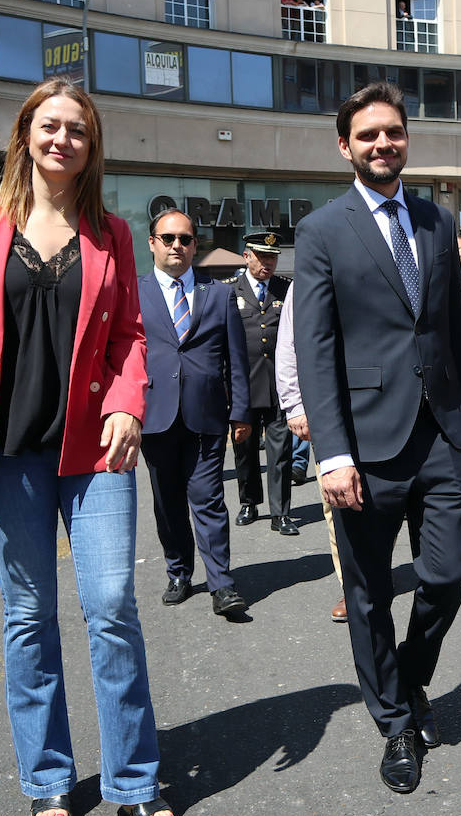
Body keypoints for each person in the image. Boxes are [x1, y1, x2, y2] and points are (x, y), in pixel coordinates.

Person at [0, 78, 172, 816]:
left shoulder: (112, 232)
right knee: (28, 616)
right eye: (51, 125)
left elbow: (130, 333)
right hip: (4, 452)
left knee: (112, 606)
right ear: (26, 134)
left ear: (91, 146)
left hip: (93, 448)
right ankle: (47, 777)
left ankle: (134, 779)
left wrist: (128, 401)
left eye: (78, 129)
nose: (63, 138)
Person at [294, 81, 461, 794]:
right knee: (370, 592)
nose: (383, 144)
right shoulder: (322, 231)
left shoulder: (437, 220)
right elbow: (316, 349)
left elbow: (453, 328)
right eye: (368, 135)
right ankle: (396, 723)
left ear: (407, 139)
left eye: (393, 132)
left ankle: (408, 674)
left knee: (447, 574)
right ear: (345, 147)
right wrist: (332, 454)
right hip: (364, 446)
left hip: (441, 433)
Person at [138, 207, 252, 615]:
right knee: (167, 503)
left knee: (208, 499)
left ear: (194, 246)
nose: (177, 246)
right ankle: (179, 572)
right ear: (152, 243)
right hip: (155, 416)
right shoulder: (134, 292)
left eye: (185, 239)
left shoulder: (220, 294)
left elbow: (236, 359)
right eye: (168, 238)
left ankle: (222, 584)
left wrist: (241, 412)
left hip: (206, 416)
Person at [276, 281, 349, 623]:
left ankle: (373, 572)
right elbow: (289, 342)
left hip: (387, 404)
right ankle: (353, 585)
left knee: (386, 500)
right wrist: (294, 405)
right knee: (337, 501)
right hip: (329, 408)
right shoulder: (310, 273)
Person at [231, 232, 297, 535]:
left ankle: (280, 512)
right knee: (244, 449)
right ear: (247, 256)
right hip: (243, 385)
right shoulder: (230, 290)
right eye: (262, 257)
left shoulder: (286, 288)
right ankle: (249, 502)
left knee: (280, 451)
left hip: (277, 384)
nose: (268, 263)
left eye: (272, 257)